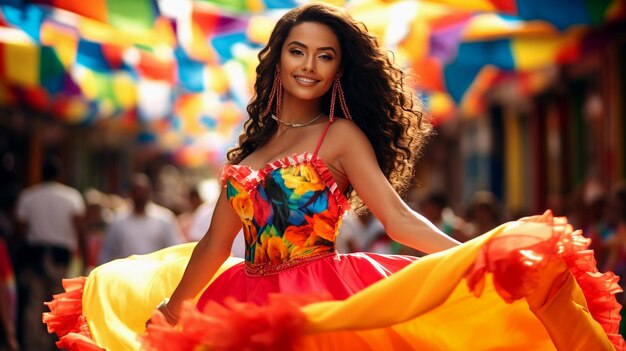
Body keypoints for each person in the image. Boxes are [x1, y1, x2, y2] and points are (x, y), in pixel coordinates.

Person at [44, 4, 623, 351]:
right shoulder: (246, 155)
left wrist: (472, 256)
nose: (309, 66)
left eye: (325, 56)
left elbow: (396, 217)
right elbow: (215, 246)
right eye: (298, 51)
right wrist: (173, 309)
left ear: (339, 69)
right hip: (240, 295)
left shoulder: (339, 136)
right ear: (277, 60)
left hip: (327, 295)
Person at [15, 156, 87, 351]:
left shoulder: (28, 196)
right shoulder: (72, 197)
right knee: (60, 305)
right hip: (60, 258)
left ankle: (31, 345)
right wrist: (87, 259)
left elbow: (19, 231)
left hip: (34, 257)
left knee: (33, 305)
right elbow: (80, 230)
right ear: (60, 175)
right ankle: (56, 345)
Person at [98, 174, 183, 264]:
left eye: (143, 192)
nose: (140, 196)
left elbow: (176, 250)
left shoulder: (164, 219)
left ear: (149, 193)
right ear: (131, 194)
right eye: (137, 192)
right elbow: (107, 254)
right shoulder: (118, 222)